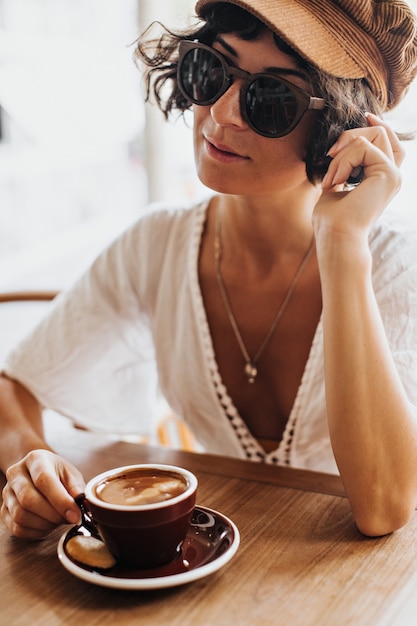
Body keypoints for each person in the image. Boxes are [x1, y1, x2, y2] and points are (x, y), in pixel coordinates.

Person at [1, 0, 417, 540]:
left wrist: (341, 243)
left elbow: (383, 508)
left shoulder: (392, 267)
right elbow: (14, 388)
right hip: (216, 570)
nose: (221, 114)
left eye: (270, 99)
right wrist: (30, 462)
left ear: (339, 129)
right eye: (211, 69)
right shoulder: (157, 245)